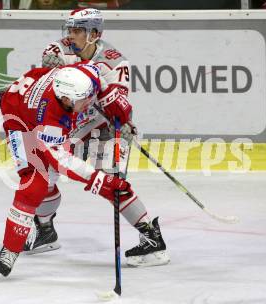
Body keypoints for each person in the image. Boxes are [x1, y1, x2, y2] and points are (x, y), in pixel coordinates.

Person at [24, 7, 170, 267]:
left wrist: (124, 122)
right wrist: (50, 65)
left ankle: (152, 239)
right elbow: (50, 61)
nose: (71, 36)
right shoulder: (62, 50)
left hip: (103, 127)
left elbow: (118, 103)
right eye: (69, 30)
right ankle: (45, 230)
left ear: (94, 34)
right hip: (71, 124)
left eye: (78, 31)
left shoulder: (115, 63)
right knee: (41, 171)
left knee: (112, 186)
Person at [0, 63, 147, 279]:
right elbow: (61, 161)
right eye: (83, 101)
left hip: (31, 90)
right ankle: (11, 249)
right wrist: (98, 179)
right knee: (34, 182)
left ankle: (46, 231)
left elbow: (98, 77)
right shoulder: (49, 119)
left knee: (88, 168)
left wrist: (122, 116)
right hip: (20, 119)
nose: (88, 103)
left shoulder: (84, 76)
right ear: (65, 99)